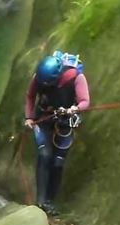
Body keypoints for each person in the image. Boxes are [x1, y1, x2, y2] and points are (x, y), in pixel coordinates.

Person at [24, 51, 90, 216]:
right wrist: (29, 117)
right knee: (44, 155)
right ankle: (40, 202)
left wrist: (73, 109)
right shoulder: (39, 77)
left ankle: (49, 202)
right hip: (44, 117)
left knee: (58, 161)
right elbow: (31, 96)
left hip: (65, 121)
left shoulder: (75, 77)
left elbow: (85, 101)